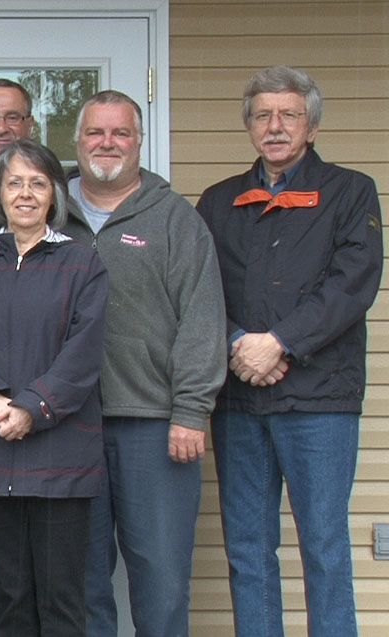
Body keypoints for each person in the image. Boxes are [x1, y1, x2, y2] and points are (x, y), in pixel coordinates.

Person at [196, 65, 383, 637]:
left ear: (313, 125)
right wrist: (236, 344)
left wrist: (278, 343)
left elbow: (352, 284)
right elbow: (199, 289)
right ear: (249, 126)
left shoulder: (351, 192)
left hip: (320, 400)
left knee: (323, 547)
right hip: (240, 403)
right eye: (263, 116)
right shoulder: (218, 200)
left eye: (289, 115)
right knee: (248, 550)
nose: (275, 126)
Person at [0, 139, 109, 636]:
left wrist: (32, 407)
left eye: (38, 183)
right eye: (14, 183)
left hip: (62, 458)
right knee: (9, 598)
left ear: (54, 194)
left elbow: (84, 351)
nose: (26, 194)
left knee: (61, 603)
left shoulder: (82, 263)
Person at [64, 90, 227, 637]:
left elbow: (203, 319)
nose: (106, 143)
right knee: (79, 581)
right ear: (77, 140)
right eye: (95, 132)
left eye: (121, 133)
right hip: (64, 426)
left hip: (155, 427)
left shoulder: (175, 218)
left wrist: (190, 409)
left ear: (138, 141)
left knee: (161, 578)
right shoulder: (45, 210)